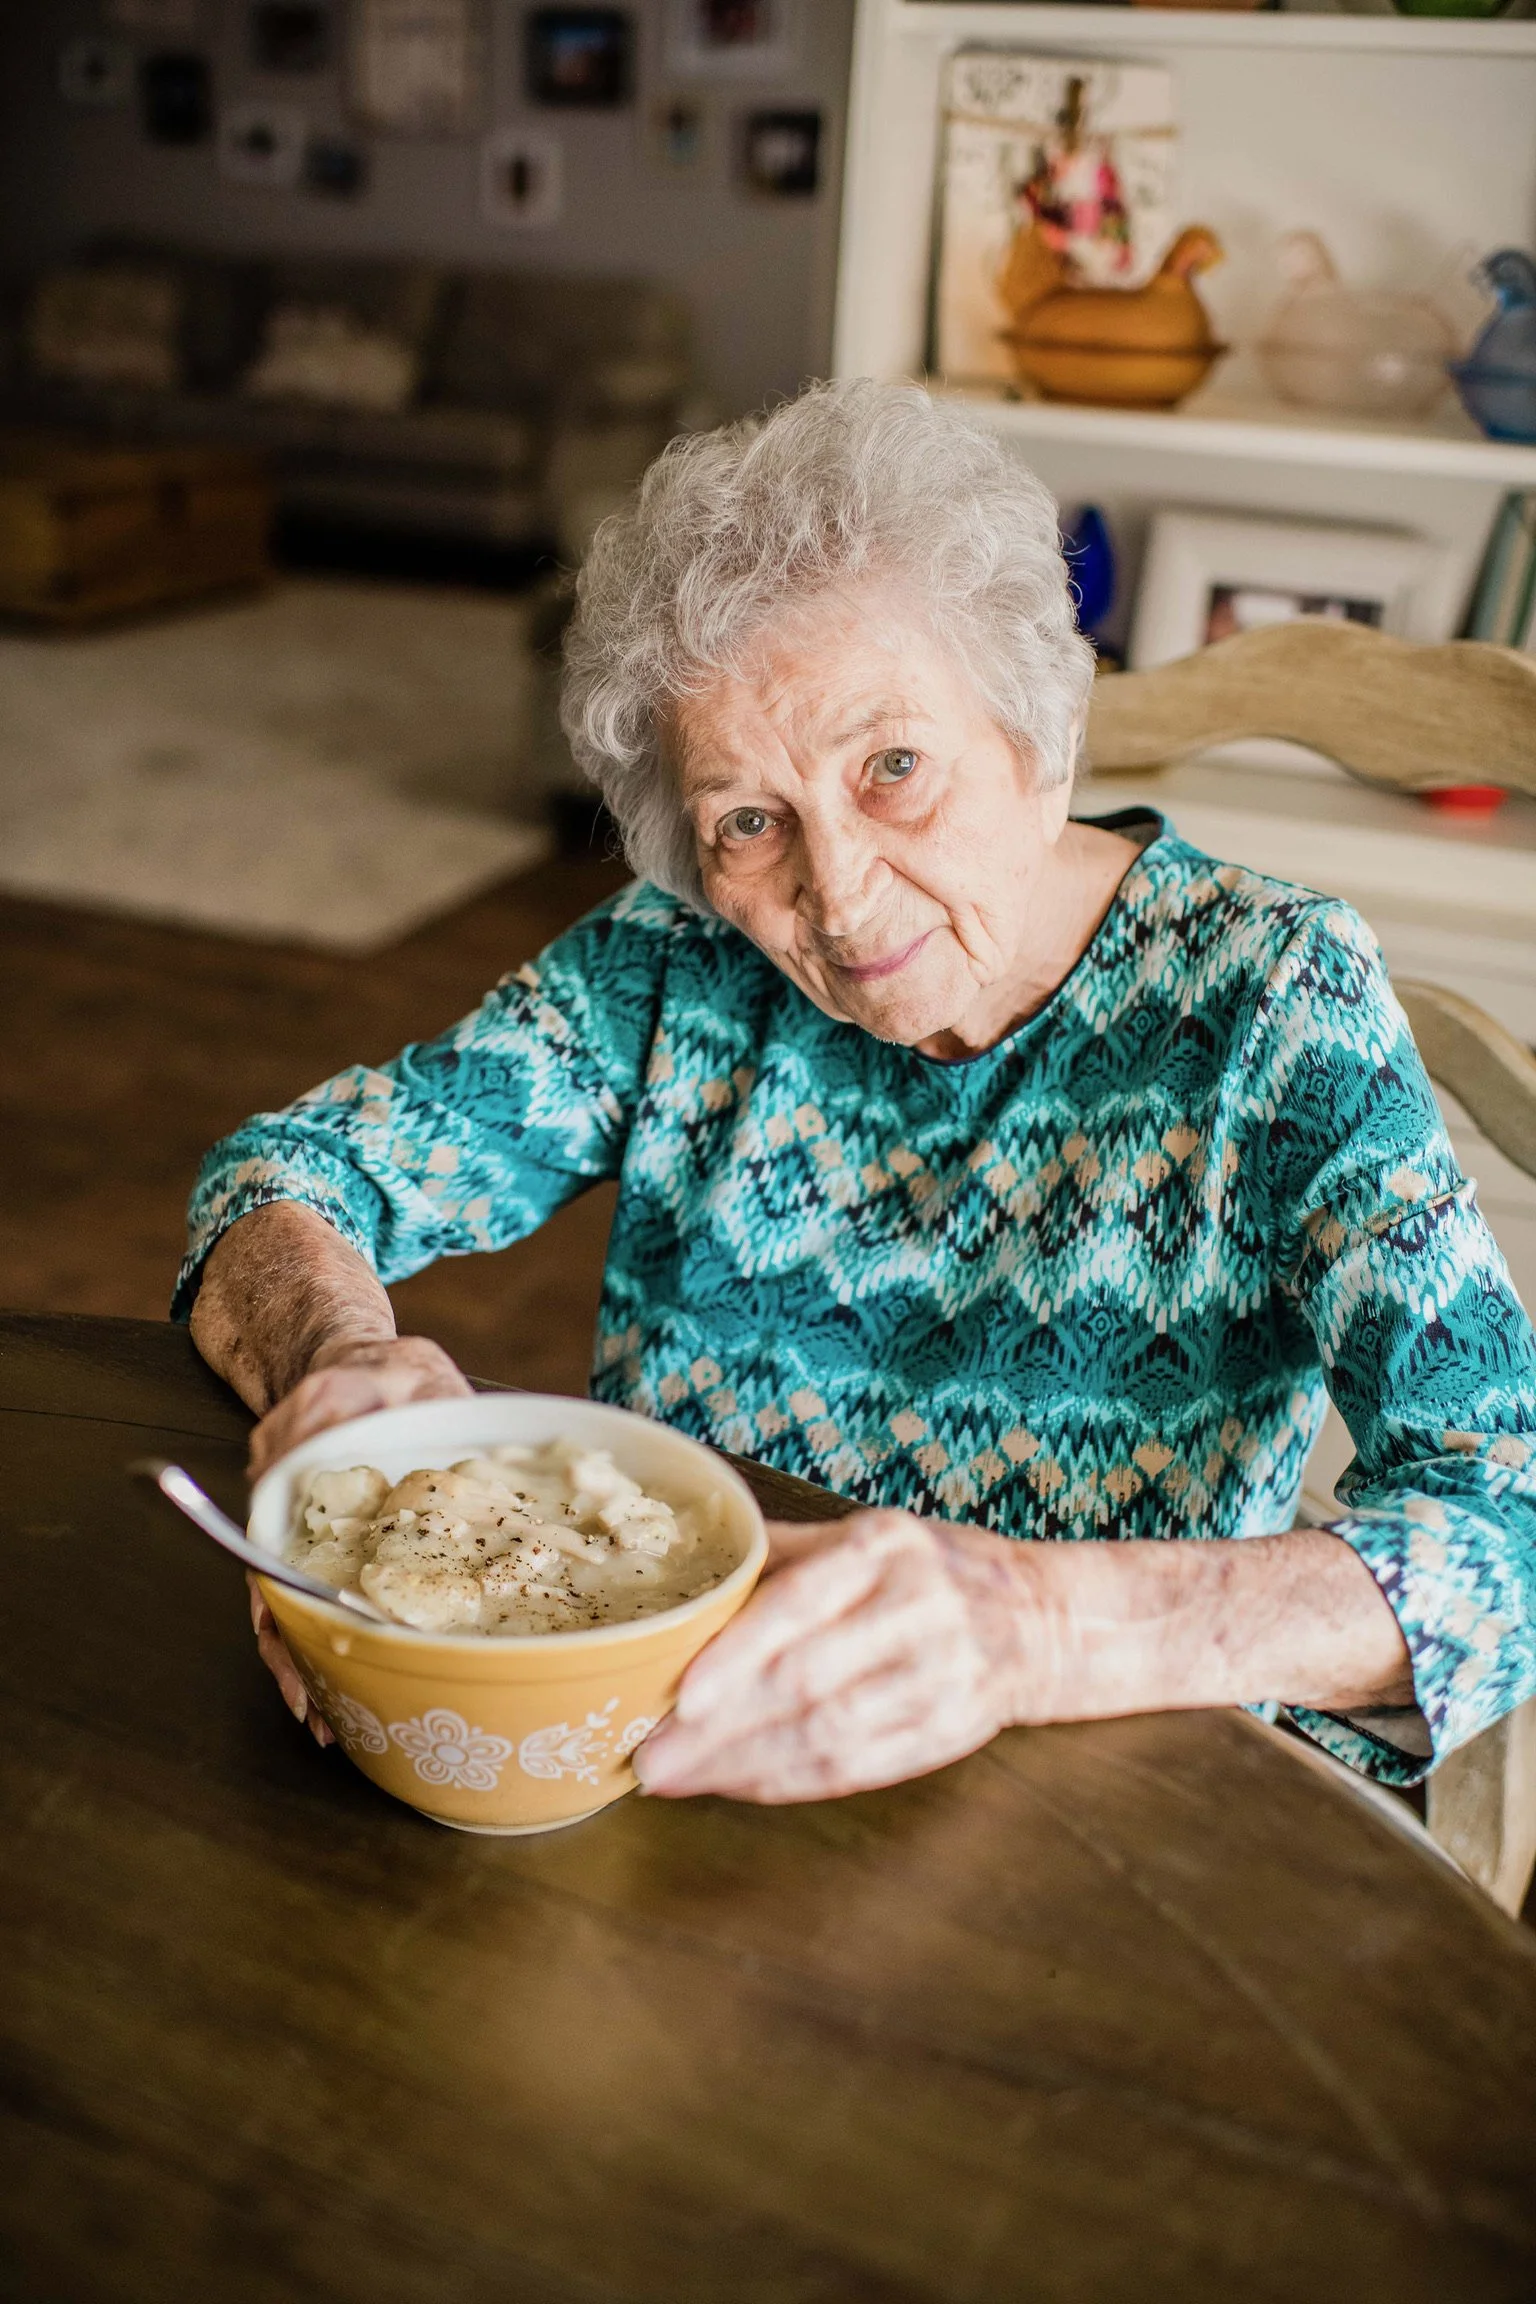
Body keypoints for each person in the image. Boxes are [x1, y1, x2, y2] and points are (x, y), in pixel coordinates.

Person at [179, 379, 1536, 1806]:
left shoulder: (1271, 1001)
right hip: (700, 1750)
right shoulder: (677, 968)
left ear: (1037, 742)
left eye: (892, 766)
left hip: (1100, 1792)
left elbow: (1508, 1525)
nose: (839, 890)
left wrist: (1030, 1628)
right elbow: (282, 1179)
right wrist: (333, 1362)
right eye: (749, 823)